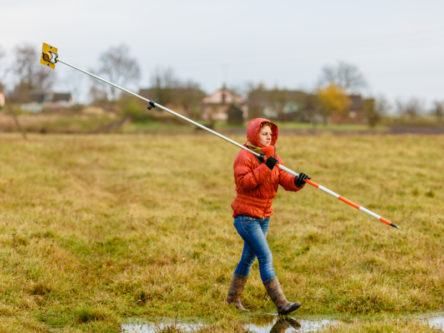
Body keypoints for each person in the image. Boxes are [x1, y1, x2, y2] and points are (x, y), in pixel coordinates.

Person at [226, 118, 310, 315]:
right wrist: (266, 166)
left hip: (264, 216)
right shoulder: (244, 156)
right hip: (246, 218)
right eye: (264, 134)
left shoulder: (273, 157)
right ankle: (282, 304)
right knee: (265, 256)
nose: (269, 137)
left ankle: (232, 299)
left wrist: (298, 181)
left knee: (247, 259)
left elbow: (284, 180)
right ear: (255, 135)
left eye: (271, 134)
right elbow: (245, 183)